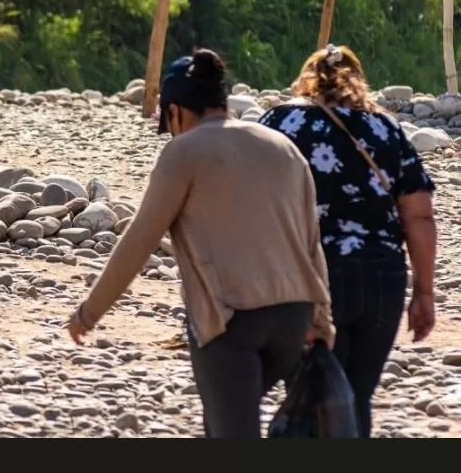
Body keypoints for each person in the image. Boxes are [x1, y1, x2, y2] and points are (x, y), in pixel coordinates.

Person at [67, 49, 334, 439]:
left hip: (231, 321)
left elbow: (139, 241)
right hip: (294, 317)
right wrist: (322, 319)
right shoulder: (282, 146)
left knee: (232, 431)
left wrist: (89, 312)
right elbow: (312, 241)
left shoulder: (184, 152)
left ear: (174, 112)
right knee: (223, 422)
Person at [257, 44, 437, 437]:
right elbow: (419, 214)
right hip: (382, 278)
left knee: (309, 393)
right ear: (358, 81)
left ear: (306, 80)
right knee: (356, 398)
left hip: (310, 274)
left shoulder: (280, 122)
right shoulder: (385, 129)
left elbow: (250, 199)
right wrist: (424, 292)